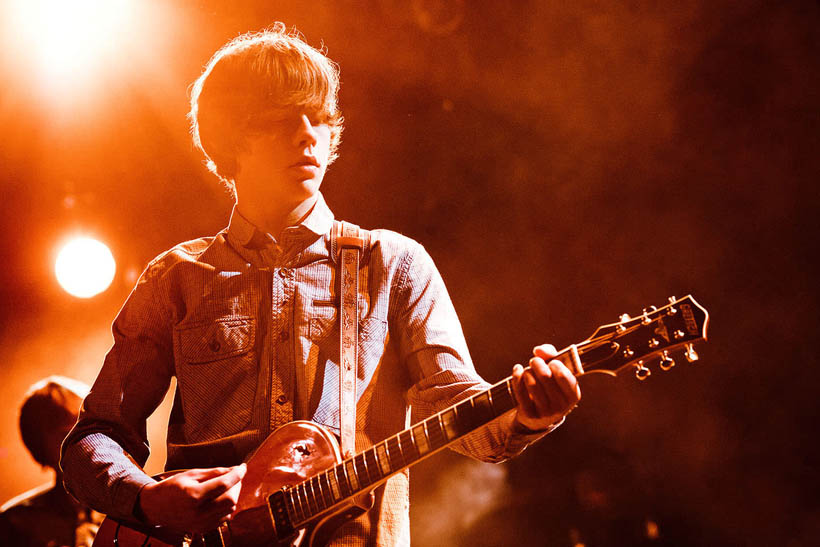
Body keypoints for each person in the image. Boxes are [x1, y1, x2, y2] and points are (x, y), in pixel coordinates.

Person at [60, 23, 581, 546]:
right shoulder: (176, 277)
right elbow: (96, 434)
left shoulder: (395, 264)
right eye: (283, 119)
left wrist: (529, 415)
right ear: (229, 137)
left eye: (320, 118)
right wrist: (146, 497)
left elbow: (457, 406)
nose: (309, 134)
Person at [1, 376, 103, 547]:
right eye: (66, 435)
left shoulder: (132, 513)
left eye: (91, 429)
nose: (87, 443)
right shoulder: (15, 522)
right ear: (38, 444)